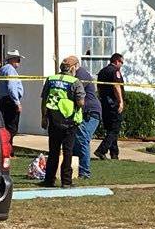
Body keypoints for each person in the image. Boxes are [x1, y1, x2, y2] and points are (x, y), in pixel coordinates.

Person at [39, 56, 84, 187]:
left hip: (53, 120)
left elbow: (44, 100)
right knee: (68, 152)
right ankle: (66, 181)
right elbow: (80, 102)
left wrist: (44, 117)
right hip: (69, 122)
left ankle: (49, 180)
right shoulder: (75, 82)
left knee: (53, 151)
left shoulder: (51, 79)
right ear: (73, 68)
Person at [75, 56, 103, 179]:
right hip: (83, 112)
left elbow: (75, 92)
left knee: (82, 138)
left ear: (75, 65)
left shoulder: (81, 74)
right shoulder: (75, 75)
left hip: (91, 112)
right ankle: (75, 169)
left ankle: (84, 172)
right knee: (76, 140)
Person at [95, 53, 126, 161]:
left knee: (110, 129)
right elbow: (116, 86)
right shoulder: (115, 71)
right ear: (117, 61)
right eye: (121, 62)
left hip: (105, 103)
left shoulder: (102, 71)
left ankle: (114, 153)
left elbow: (99, 88)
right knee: (115, 129)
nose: (121, 65)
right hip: (113, 104)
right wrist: (120, 101)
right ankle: (101, 150)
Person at [0, 49, 24, 139]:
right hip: (10, 101)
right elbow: (11, 87)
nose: (19, 62)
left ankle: (7, 150)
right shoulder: (10, 70)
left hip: (3, 100)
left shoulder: (3, 69)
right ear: (12, 60)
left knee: (6, 127)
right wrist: (17, 102)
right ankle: (9, 150)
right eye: (18, 60)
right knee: (12, 128)